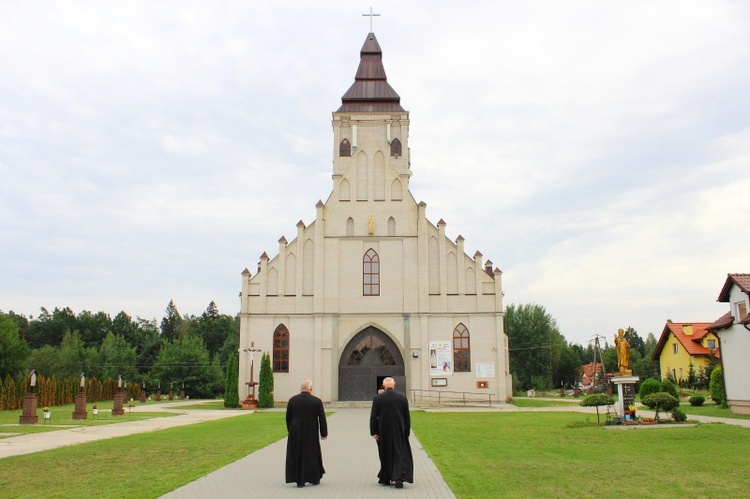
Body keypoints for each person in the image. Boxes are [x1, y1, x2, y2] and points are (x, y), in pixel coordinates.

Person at [369, 377, 414, 488]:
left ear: (384, 386)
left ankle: (386, 478)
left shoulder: (378, 399)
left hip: (382, 431)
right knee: (399, 454)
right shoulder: (402, 398)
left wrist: (374, 432)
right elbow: (407, 417)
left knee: (384, 454)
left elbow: (373, 417)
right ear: (394, 385)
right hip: (399, 430)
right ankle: (398, 479)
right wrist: (406, 432)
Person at [285, 379, 328, 488]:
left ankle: (298, 479)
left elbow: (288, 417)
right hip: (311, 429)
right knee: (311, 453)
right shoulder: (317, 401)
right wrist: (324, 433)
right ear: (311, 389)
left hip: (295, 429)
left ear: (301, 389)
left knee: (296, 453)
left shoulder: (292, 400)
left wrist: (290, 430)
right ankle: (313, 477)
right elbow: (322, 418)